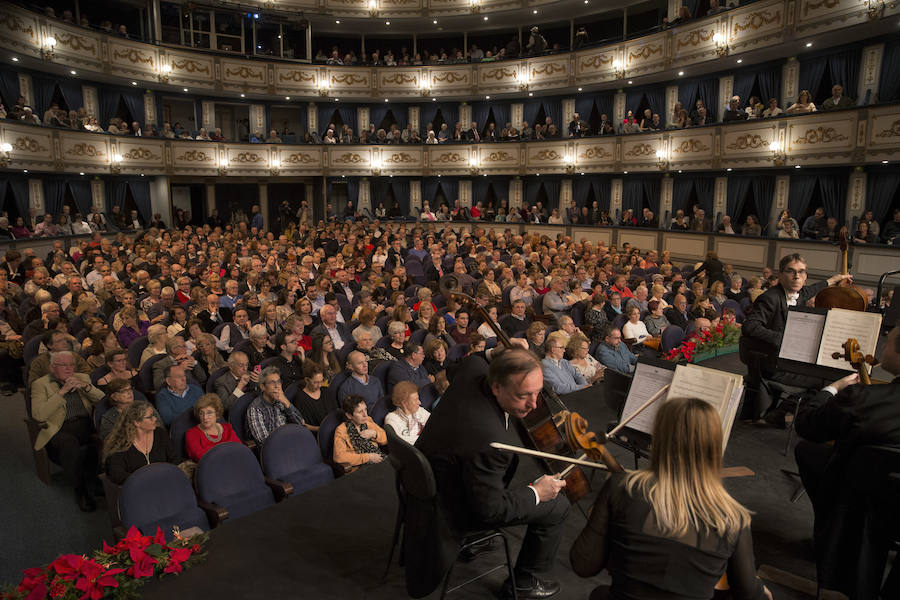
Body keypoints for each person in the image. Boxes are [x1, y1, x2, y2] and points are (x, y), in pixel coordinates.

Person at [571, 396, 771, 600]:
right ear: (715, 447)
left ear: (658, 439)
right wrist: (760, 590)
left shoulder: (622, 488)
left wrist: (606, 510)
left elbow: (583, 565)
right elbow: (749, 594)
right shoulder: (733, 519)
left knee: (600, 594)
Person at [415, 348, 569, 599]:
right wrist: (537, 493)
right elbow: (491, 510)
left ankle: (482, 539)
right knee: (557, 506)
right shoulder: (490, 441)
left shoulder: (474, 370)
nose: (534, 404)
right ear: (496, 387)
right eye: (523, 396)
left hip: (432, 480)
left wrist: (496, 352)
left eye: (537, 393)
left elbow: (465, 362)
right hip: (451, 507)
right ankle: (522, 583)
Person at [794, 324, 900, 595]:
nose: (883, 347)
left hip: (860, 494)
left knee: (809, 451)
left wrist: (832, 389)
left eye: (887, 342)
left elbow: (807, 425)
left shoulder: (863, 399)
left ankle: (834, 530)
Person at [740, 253, 851, 421]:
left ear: (805, 276)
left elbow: (813, 289)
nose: (797, 276)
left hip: (785, 358)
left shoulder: (800, 293)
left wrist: (834, 279)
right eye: (791, 271)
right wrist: (784, 339)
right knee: (824, 381)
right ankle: (782, 413)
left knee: (830, 375)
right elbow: (750, 326)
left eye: (801, 272)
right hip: (769, 362)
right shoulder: (770, 298)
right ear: (781, 275)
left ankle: (780, 412)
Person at [31, 351, 105, 511]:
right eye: (63, 365)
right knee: (69, 445)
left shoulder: (83, 378)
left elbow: (103, 400)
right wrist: (61, 392)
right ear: (52, 367)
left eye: (71, 364)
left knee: (99, 441)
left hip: (85, 423)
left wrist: (86, 387)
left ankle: (95, 480)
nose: (69, 368)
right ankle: (82, 490)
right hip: (59, 427)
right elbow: (39, 415)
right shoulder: (41, 384)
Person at [103, 401, 178, 485]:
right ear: (136, 422)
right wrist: (144, 481)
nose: (155, 419)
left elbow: (175, 458)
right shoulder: (121, 443)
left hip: (165, 482)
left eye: (154, 415)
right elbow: (117, 474)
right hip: (137, 488)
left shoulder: (160, 433)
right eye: (150, 417)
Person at [332, 394, 387, 473]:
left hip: (378, 460)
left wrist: (375, 434)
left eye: (365, 409)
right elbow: (339, 457)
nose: (365, 414)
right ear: (349, 415)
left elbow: (386, 439)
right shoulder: (341, 430)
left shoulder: (368, 421)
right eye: (360, 412)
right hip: (358, 469)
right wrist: (367, 457)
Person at [185, 393, 241, 462]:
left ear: (217, 414)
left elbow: (239, 448)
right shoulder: (192, 434)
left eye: (209, 413)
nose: (205, 417)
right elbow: (201, 457)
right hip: (210, 468)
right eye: (201, 413)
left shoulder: (227, 428)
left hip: (233, 462)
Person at [384, 380, 430, 445]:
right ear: (404, 403)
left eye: (418, 399)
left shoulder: (420, 411)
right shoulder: (392, 419)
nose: (419, 402)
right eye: (415, 400)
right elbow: (399, 443)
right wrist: (426, 438)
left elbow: (434, 426)